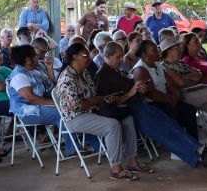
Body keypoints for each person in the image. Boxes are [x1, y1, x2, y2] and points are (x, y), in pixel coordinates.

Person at [95, 41, 207, 168]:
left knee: (169, 125)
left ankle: (199, 150)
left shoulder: (118, 71)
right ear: (107, 56)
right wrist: (130, 94)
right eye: (118, 57)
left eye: (122, 56)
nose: (121, 60)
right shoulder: (103, 75)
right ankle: (196, 155)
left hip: (138, 106)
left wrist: (141, 90)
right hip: (127, 111)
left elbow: (134, 91)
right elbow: (107, 103)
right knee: (162, 132)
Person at [56, 44, 145, 181]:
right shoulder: (67, 78)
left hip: (92, 111)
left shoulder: (84, 73)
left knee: (127, 118)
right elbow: (77, 107)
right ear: (74, 57)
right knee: (112, 125)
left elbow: (94, 96)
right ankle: (116, 169)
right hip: (75, 118)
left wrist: (106, 99)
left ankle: (132, 162)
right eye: (85, 55)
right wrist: (96, 100)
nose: (89, 58)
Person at [132, 38, 202, 147]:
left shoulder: (158, 65)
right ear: (145, 53)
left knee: (189, 110)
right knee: (174, 114)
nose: (158, 51)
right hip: (152, 103)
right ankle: (183, 147)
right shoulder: (140, 69)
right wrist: (169, 99)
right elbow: (150, 93)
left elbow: (170, 84)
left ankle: (195, 144)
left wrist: (174, 96)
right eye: (154, 50)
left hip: (166, 99)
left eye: (157, 48)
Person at [7, 45, 72, 154]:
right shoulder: (19, 75)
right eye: (35, 56)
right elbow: (30, 98)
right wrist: (55, 103)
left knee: (69, 108)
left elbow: (51, 88)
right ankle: (72, 147)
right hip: (28, 112)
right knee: (61, 113)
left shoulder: (35, 70)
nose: (38, 58)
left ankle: (64, 138)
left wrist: (49, 69)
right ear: (28, 59)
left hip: (41, 106)